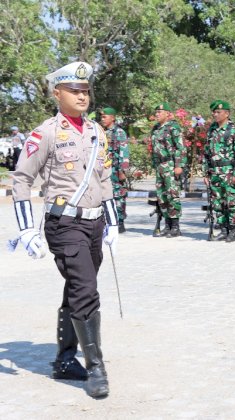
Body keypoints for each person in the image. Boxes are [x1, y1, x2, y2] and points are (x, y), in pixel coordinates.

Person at [10, 61, 116, 398]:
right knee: (86, 289)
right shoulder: (46, 133)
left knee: (78, 286)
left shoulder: (97, 131)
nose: (82, 96)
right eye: (74, 90)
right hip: (64, 223)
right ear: (57, 93)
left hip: (94, 222)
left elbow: (104, 177)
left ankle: (65, 360)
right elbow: (22, 178)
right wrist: (27, 229)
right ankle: (96, 367)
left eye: (85, 90)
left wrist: (112, 221)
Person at [203, 100, 235, 242]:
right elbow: (207, 153)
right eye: (214, 112)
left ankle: (233, 230)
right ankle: (222, 228)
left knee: (231, 202)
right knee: (217, 202)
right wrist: (206, 172)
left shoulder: (234, 130)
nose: (215, 114)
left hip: (228, 171)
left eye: (218, 112)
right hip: (214, 171)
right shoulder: (211, 130)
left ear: (227, 113)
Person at [150, 102, 185, 237]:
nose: (157, 114)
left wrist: (178, 165)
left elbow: (180, 148)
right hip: (160, 166)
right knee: (162, 196)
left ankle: (175, 226)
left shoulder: (173, 128)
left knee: (172, 195)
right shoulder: (156, 129)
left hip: (170, 165)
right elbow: (153, 149)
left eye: (160, 112)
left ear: (167, 114)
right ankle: (167, 224)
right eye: (156, 112)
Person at [100, 107, 129, 233]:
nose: (102, 119)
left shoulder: (119, 132)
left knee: (119, 196)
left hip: (116, 170)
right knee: (105, 195)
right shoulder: (102, 132)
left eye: (105, 117)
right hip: (104, 171)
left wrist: (123, 170)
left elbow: (124, 152)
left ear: (112, 118)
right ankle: (108, 221)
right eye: (101, 117)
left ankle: (120, 222)